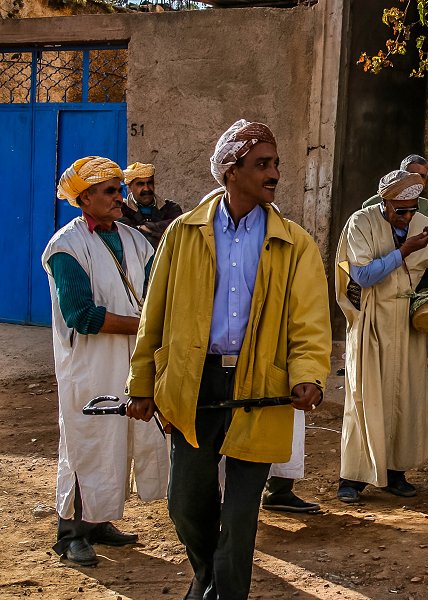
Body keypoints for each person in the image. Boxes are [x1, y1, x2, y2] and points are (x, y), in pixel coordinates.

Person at [125, 120, 331, 600]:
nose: (274, 173)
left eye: (276, 163)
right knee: (184, 504)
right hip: (195, 385)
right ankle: (207, 575)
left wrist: (308, 376)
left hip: (260, 387)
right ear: (230, 171)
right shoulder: (182, 233)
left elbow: (309, 322)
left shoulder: (294, 242)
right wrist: (141, 382)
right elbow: (153, 314)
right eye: (263, 164)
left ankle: (224, 592)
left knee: (239, 519)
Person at [42, 156, 169, 567]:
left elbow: (156, 291)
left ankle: (99, 522)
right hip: (90, 362)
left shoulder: (135, 240)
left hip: (131, 356)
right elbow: (82, 315)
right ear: (84, 198)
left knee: (118, 441)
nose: (120, 197)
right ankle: (71, 532)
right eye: (110, 191)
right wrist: (143, 327)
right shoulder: (66, 246)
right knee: (88, 439)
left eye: (119, 189)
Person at [335, 169, 428, 503]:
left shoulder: (422, 225)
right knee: (365, 398)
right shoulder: (360, 224)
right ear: (384, 203)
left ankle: (395, 471)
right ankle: (353, 478)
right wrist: (403, 252)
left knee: (403, 397)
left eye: (412, 209)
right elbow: (361, 274)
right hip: (370, 319)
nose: (407, 217)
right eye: (400, 210)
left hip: (407, 323)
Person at [362, 154, 428, 235]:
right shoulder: (371, 205)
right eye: (412, 175)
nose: (417, 179)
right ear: (400, 175)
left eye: (422, 176)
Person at [119, 162, 183, 248]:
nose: (146, 188)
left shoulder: (171, 208)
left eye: (149, 183)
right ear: (130, 186)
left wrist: (142, 228)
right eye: (140, 184)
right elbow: (125, 233)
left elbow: (178, 228)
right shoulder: (121, 208)